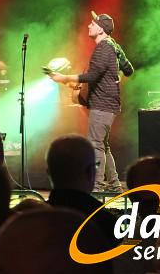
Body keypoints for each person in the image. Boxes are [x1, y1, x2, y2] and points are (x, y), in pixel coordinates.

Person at [48, 11, 133, 192]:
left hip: (103, 105)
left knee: (95, 144)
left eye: (93, 24)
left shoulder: (103, 48)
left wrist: (65, 78)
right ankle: (115, 185)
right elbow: (128, 70)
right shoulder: (112, 46)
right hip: (107, 104)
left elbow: (93, 75)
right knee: (102, 145)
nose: (89, 25)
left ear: (101, 29)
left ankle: (97, 186)